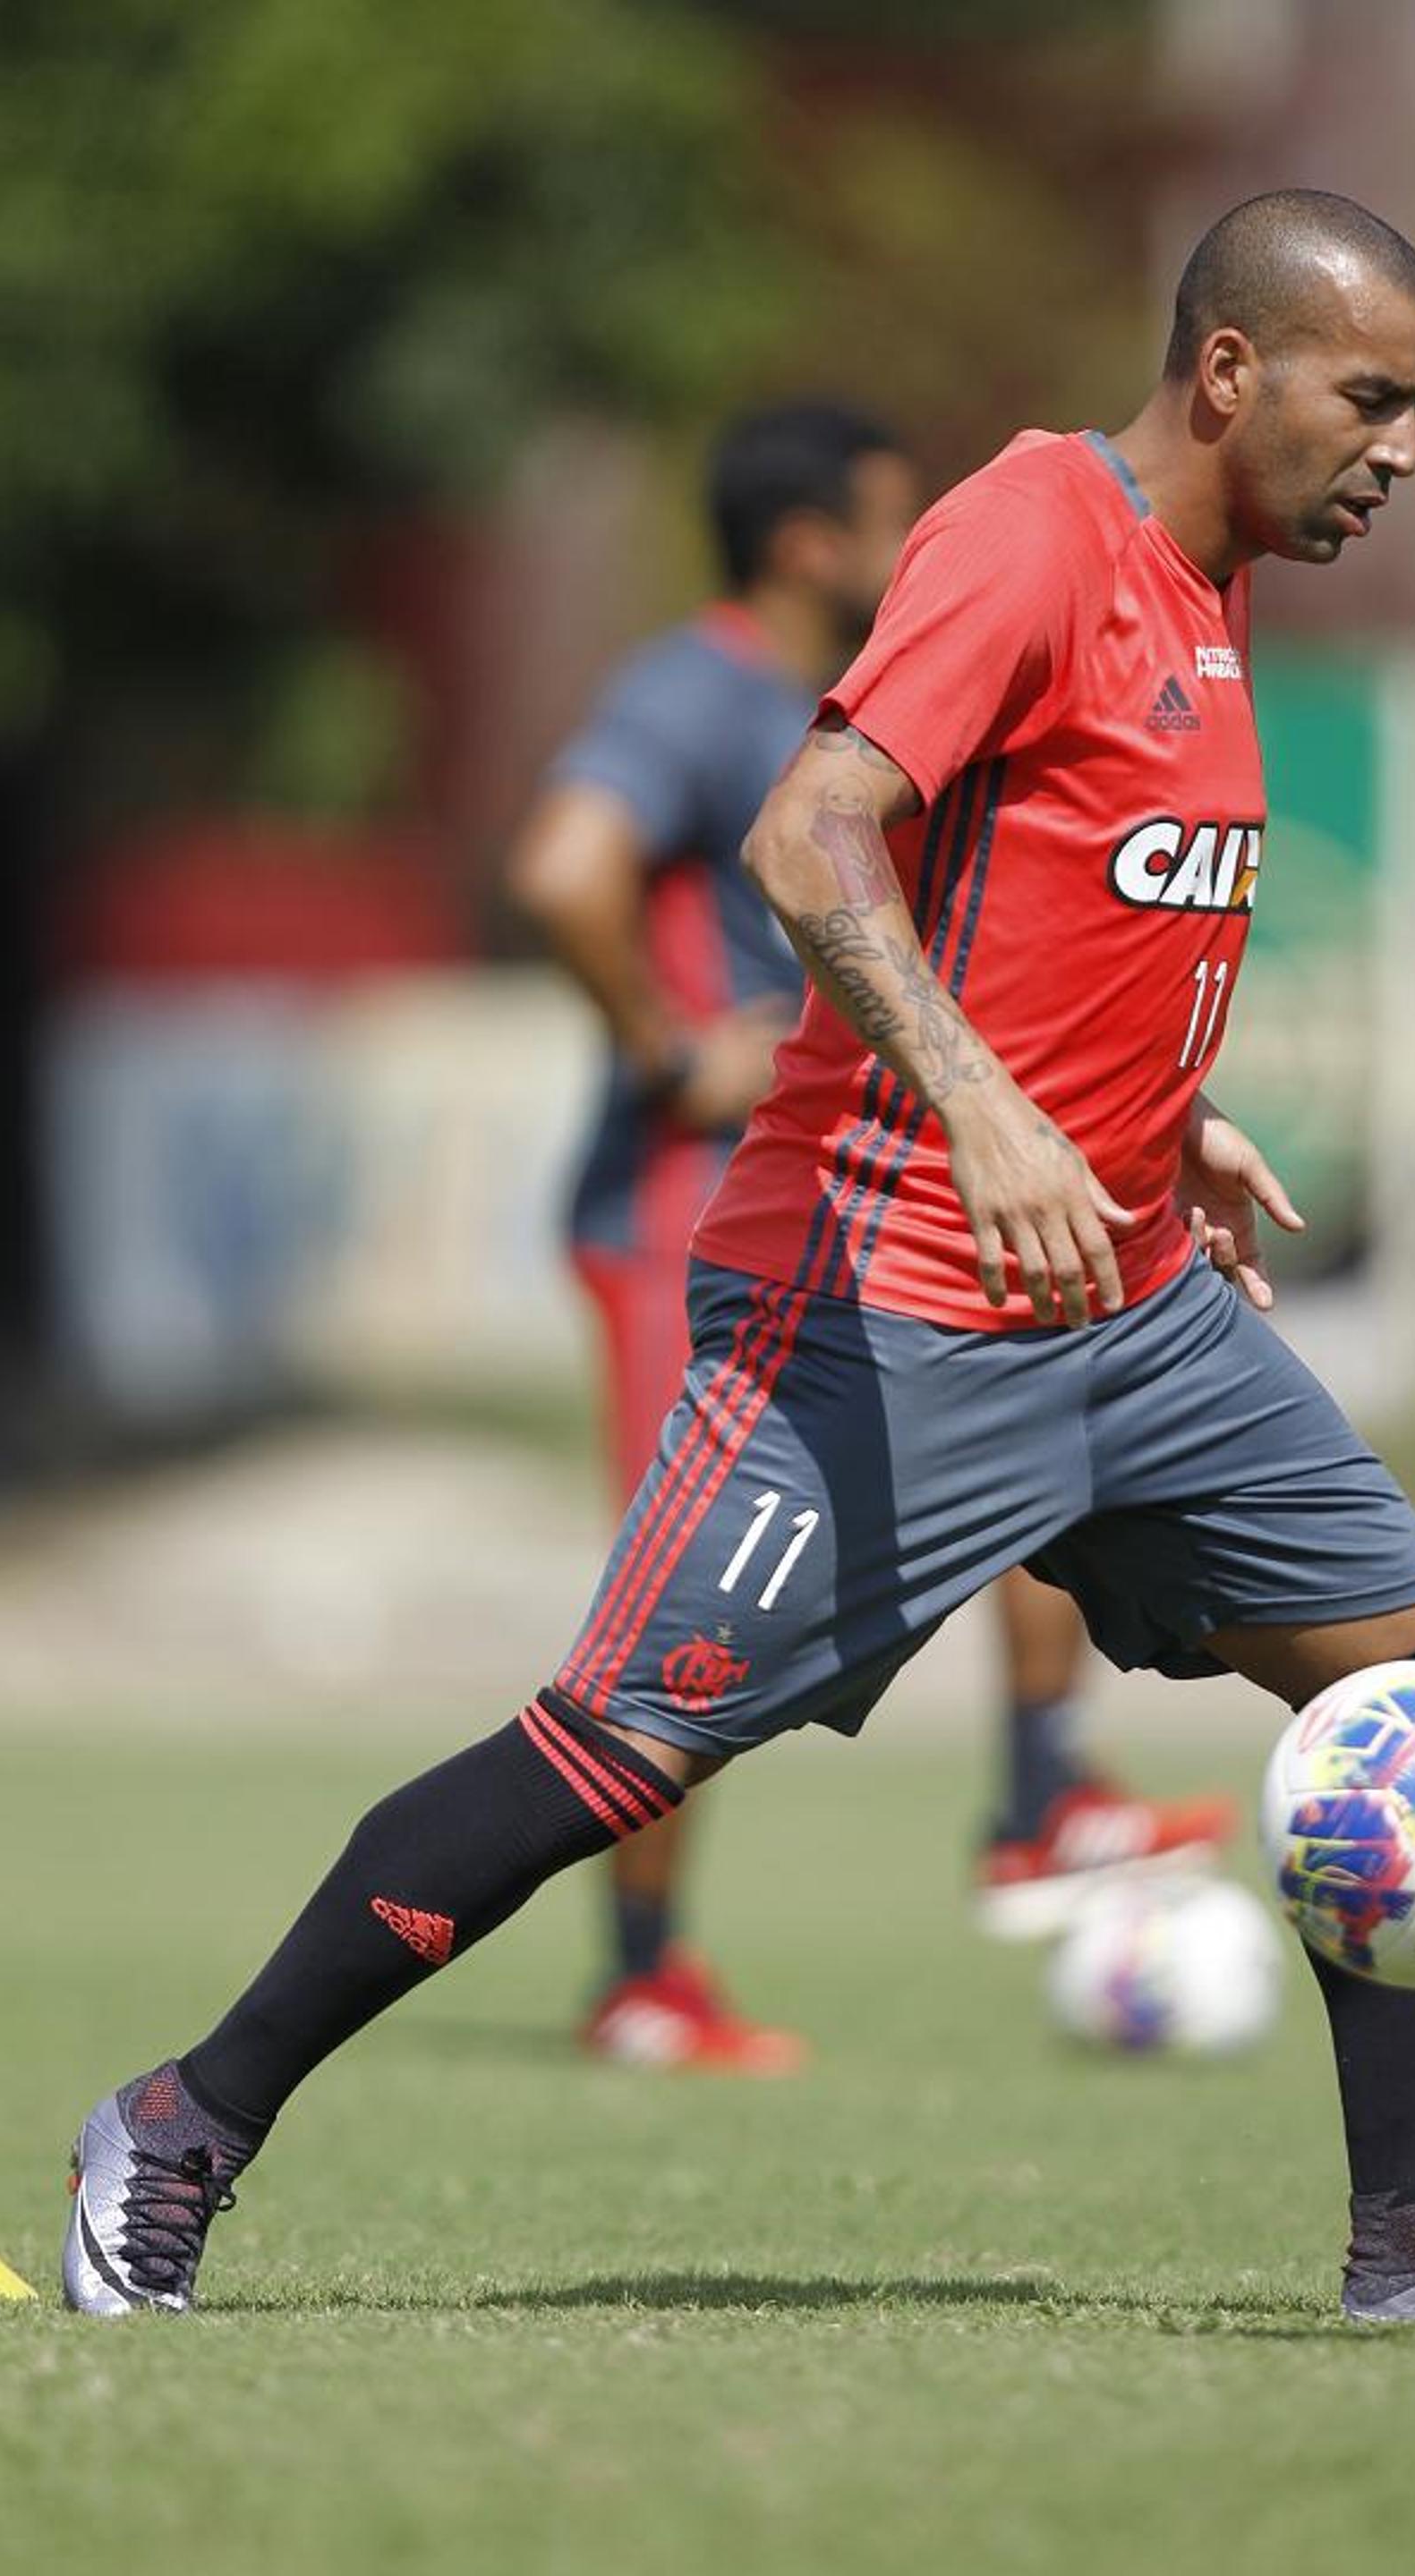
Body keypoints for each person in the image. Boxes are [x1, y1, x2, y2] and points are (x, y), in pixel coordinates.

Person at [63, 190, 1415, 2324]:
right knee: (616, 1752)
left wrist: (1152, 1118)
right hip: (885, 1299)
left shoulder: (1212, 592)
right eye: (1371, 398)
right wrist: (998, 1109)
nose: (1401, 448)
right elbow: (806, 833)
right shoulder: (1033, 531)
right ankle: (179, 2125)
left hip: (1132, 1309)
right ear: (1232, 369)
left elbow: (1070, 898)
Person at [507, 404, 1234, 2065]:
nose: (926, 549)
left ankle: (1044, 1799)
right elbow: (564, 869)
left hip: (879, 1178)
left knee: (1053, 1417)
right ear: (806, 544)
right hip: (691, 1204)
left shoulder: (897, 684)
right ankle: (640, 1973)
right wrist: (660, 1046)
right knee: (678, 1614)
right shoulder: (694, 692)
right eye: (896, 520)